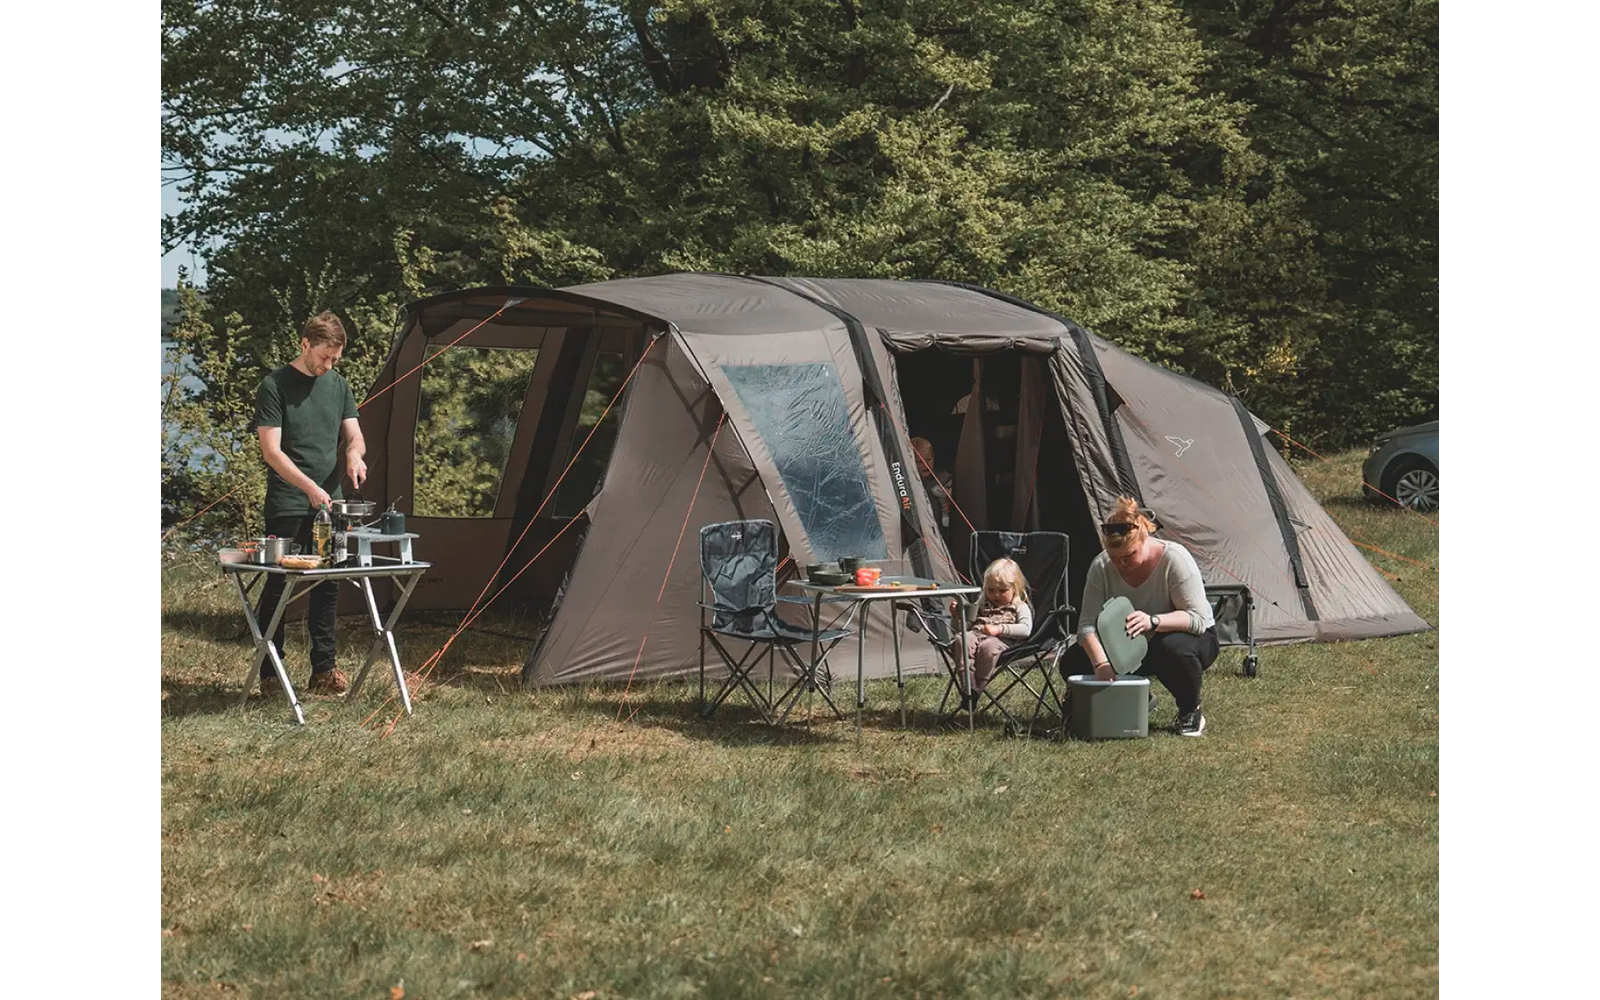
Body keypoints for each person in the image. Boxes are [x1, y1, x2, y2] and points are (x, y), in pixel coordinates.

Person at [252, 311, 367, 699]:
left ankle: (324, 670)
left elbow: (355, 436)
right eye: (324, 357)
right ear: (305, 344)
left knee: (327, 584)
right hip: (288, 503)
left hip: (330, 504)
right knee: (279, 585)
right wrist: (308, 488)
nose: (329, 365)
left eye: (335, 358)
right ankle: (271, 673)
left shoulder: (339, 385)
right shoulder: (274, 386)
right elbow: (272, 451)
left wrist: (354, 455)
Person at [1064, 496, 1218, 736]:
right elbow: (1086, 626)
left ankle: (1190, 709)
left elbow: (1197, 620)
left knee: (1172, 649)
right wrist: (1101, 664)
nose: (1122, 564)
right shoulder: (1101, 566)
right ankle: (1136, 698)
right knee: (1073, 661)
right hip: (1130, 643)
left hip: (1188, 637)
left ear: (1144, 540)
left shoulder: (1174, 559)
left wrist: (1153, 621)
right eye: (1115, 558)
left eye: (1129, 555)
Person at [948, 557, 1034, 712]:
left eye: (1002, 590)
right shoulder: (982, 604)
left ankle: (976, 692)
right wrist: (956, 616)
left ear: (1015, 589)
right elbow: (960, 630)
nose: (996, 595)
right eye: (991, 590)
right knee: (961, 639)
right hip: (975, 634)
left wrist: (999, 629)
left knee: (988, 647)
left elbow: (1026, 629)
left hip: (1001, 641)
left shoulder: (1019, 607)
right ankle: (968, 686)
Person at [909, 436, 955, 531]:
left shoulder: (944, 478)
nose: (925, 464)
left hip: (941, 530)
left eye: (929, 459)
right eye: (920, 461)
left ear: (933, 456)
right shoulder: (907, 483)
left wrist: (949, 495)